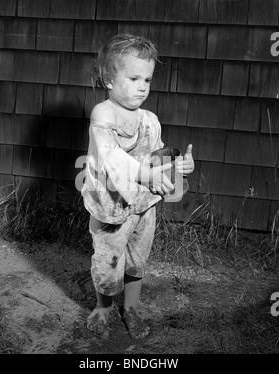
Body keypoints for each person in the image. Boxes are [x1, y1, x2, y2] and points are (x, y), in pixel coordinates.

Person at [79, 34, 195, 339]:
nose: (142, 85)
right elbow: (112, 158)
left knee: (137, 259)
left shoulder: (150, 120)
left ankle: (131, 307)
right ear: (108, 79)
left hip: (143, 206)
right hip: (111, 210)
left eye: (147, 78)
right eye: (133, 77)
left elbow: (157, 157)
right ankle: (104, 306)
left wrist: (178, 165)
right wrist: (147, 174)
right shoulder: (103, 115)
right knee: (108, 263)